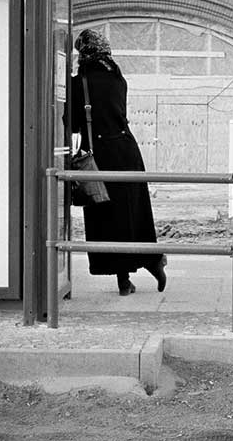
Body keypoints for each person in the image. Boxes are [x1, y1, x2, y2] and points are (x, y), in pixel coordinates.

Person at [70, 29, 167, 296]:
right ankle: (152, 260)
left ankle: (124, 281)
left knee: (106, 218)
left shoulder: (80, 84)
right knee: (134, 214)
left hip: (100, 156)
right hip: (127, 152)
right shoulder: (117, 77)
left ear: (83, 53)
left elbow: (73, 122)